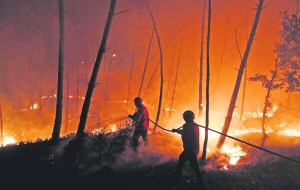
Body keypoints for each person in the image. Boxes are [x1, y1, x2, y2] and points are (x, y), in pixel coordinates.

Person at [172, 110, 207, 189]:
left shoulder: (192, 126)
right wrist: (177, 130)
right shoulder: (190, 125)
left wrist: (178, 130)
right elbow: (184, 132)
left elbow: (186, 134)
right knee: (183, 160)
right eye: (184, 117)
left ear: (190, 117)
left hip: (191, 149)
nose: (184, 118)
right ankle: (176, 178)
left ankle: (200, 183)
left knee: (193, 165)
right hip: (189, 149)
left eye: (185, 117)